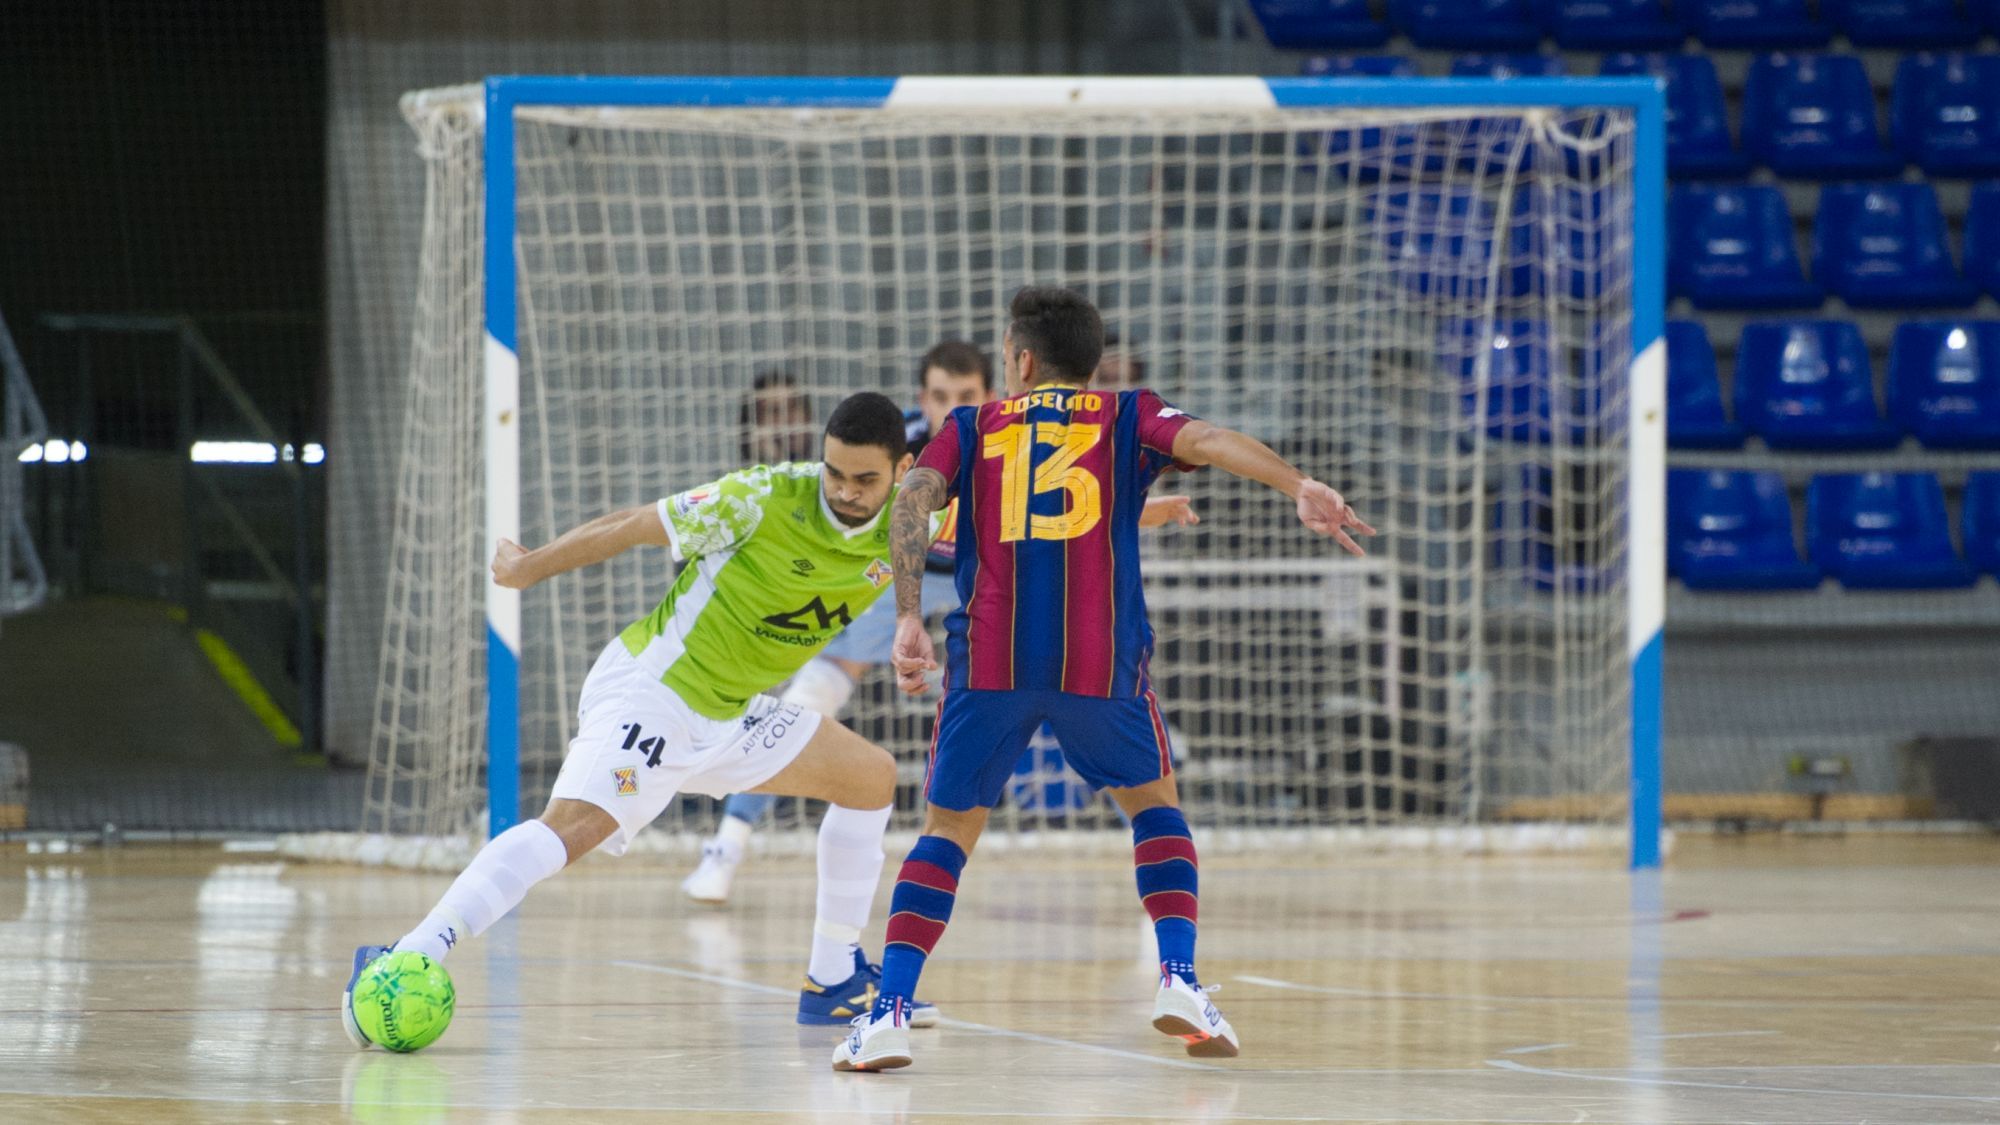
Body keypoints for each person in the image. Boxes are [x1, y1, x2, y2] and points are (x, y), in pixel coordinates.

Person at [832, 287, 1375, 1072]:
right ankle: (1179, 978)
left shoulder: (971, 425)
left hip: (992, 660)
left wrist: (910, 613)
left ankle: (887, 1012)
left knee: (947, 830)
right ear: (1093, 364)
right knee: (1155, 808)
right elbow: (1214, 437)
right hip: (1101, 661)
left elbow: (914, 496)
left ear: (1018, 360)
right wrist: (1300, 486)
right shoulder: (1126, 415)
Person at [340, 393, 943, 1047]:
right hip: (656, 691)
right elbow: (631, 523)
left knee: (870, 777)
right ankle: (405, 954)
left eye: (864, 480)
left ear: (902, 470)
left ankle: (832, 978)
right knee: (569, 830)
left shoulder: (913, 520)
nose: (845, 492)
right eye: (833, 473)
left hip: (731, 714)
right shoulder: (761, 498)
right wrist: (528, 566)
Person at [681, 343, 1195, 905]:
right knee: (819, 683)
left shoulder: (1016, 434)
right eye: (940, 397)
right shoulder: (895, 447)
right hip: (908, 569)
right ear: (922, 399)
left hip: (995, 571)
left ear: (991, 395)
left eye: (966, 397)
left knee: (1096, 667)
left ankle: (1155, 845)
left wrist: (1143, 511)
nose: (951, 408)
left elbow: (1076, 504)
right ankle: (727, 846)